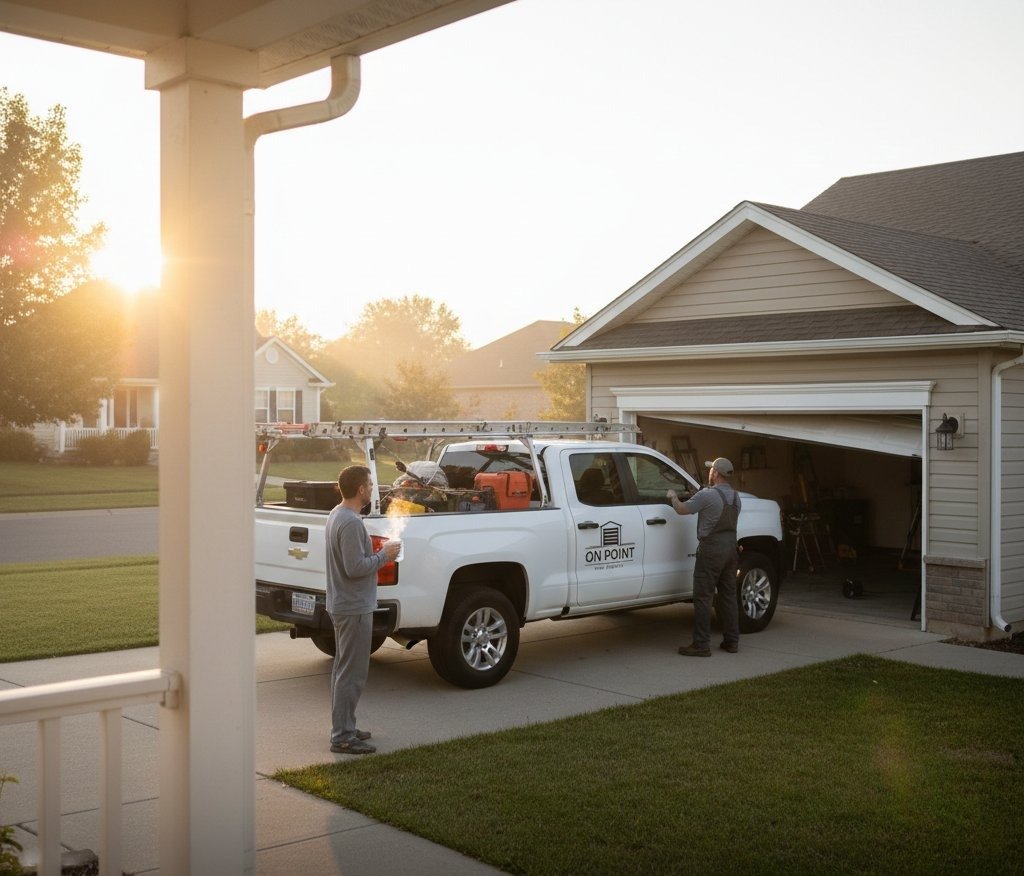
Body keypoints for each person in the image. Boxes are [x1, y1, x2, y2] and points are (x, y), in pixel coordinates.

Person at [325, 464, 401, 754]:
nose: (371, 488)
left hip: (343, 604)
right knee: (352, 674)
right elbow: (354, 568)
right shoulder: (351, 523)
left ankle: (345, 726)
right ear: (360, 489)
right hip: (353, 608)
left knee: (343, 671)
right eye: (369, 484)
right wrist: (385, 555)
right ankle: (343, 737)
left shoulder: (337, 514)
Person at [666, 457, 741, 657]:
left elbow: (682, 509)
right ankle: (732, 641)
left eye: (711, 470)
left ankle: (701, 644)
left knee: (703, 598)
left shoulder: (707, 495)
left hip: (711, 551)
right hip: (731, 549)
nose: (709, 472)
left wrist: (673, 496)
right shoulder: (736, 497)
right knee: (728, 597)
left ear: (715, 473)